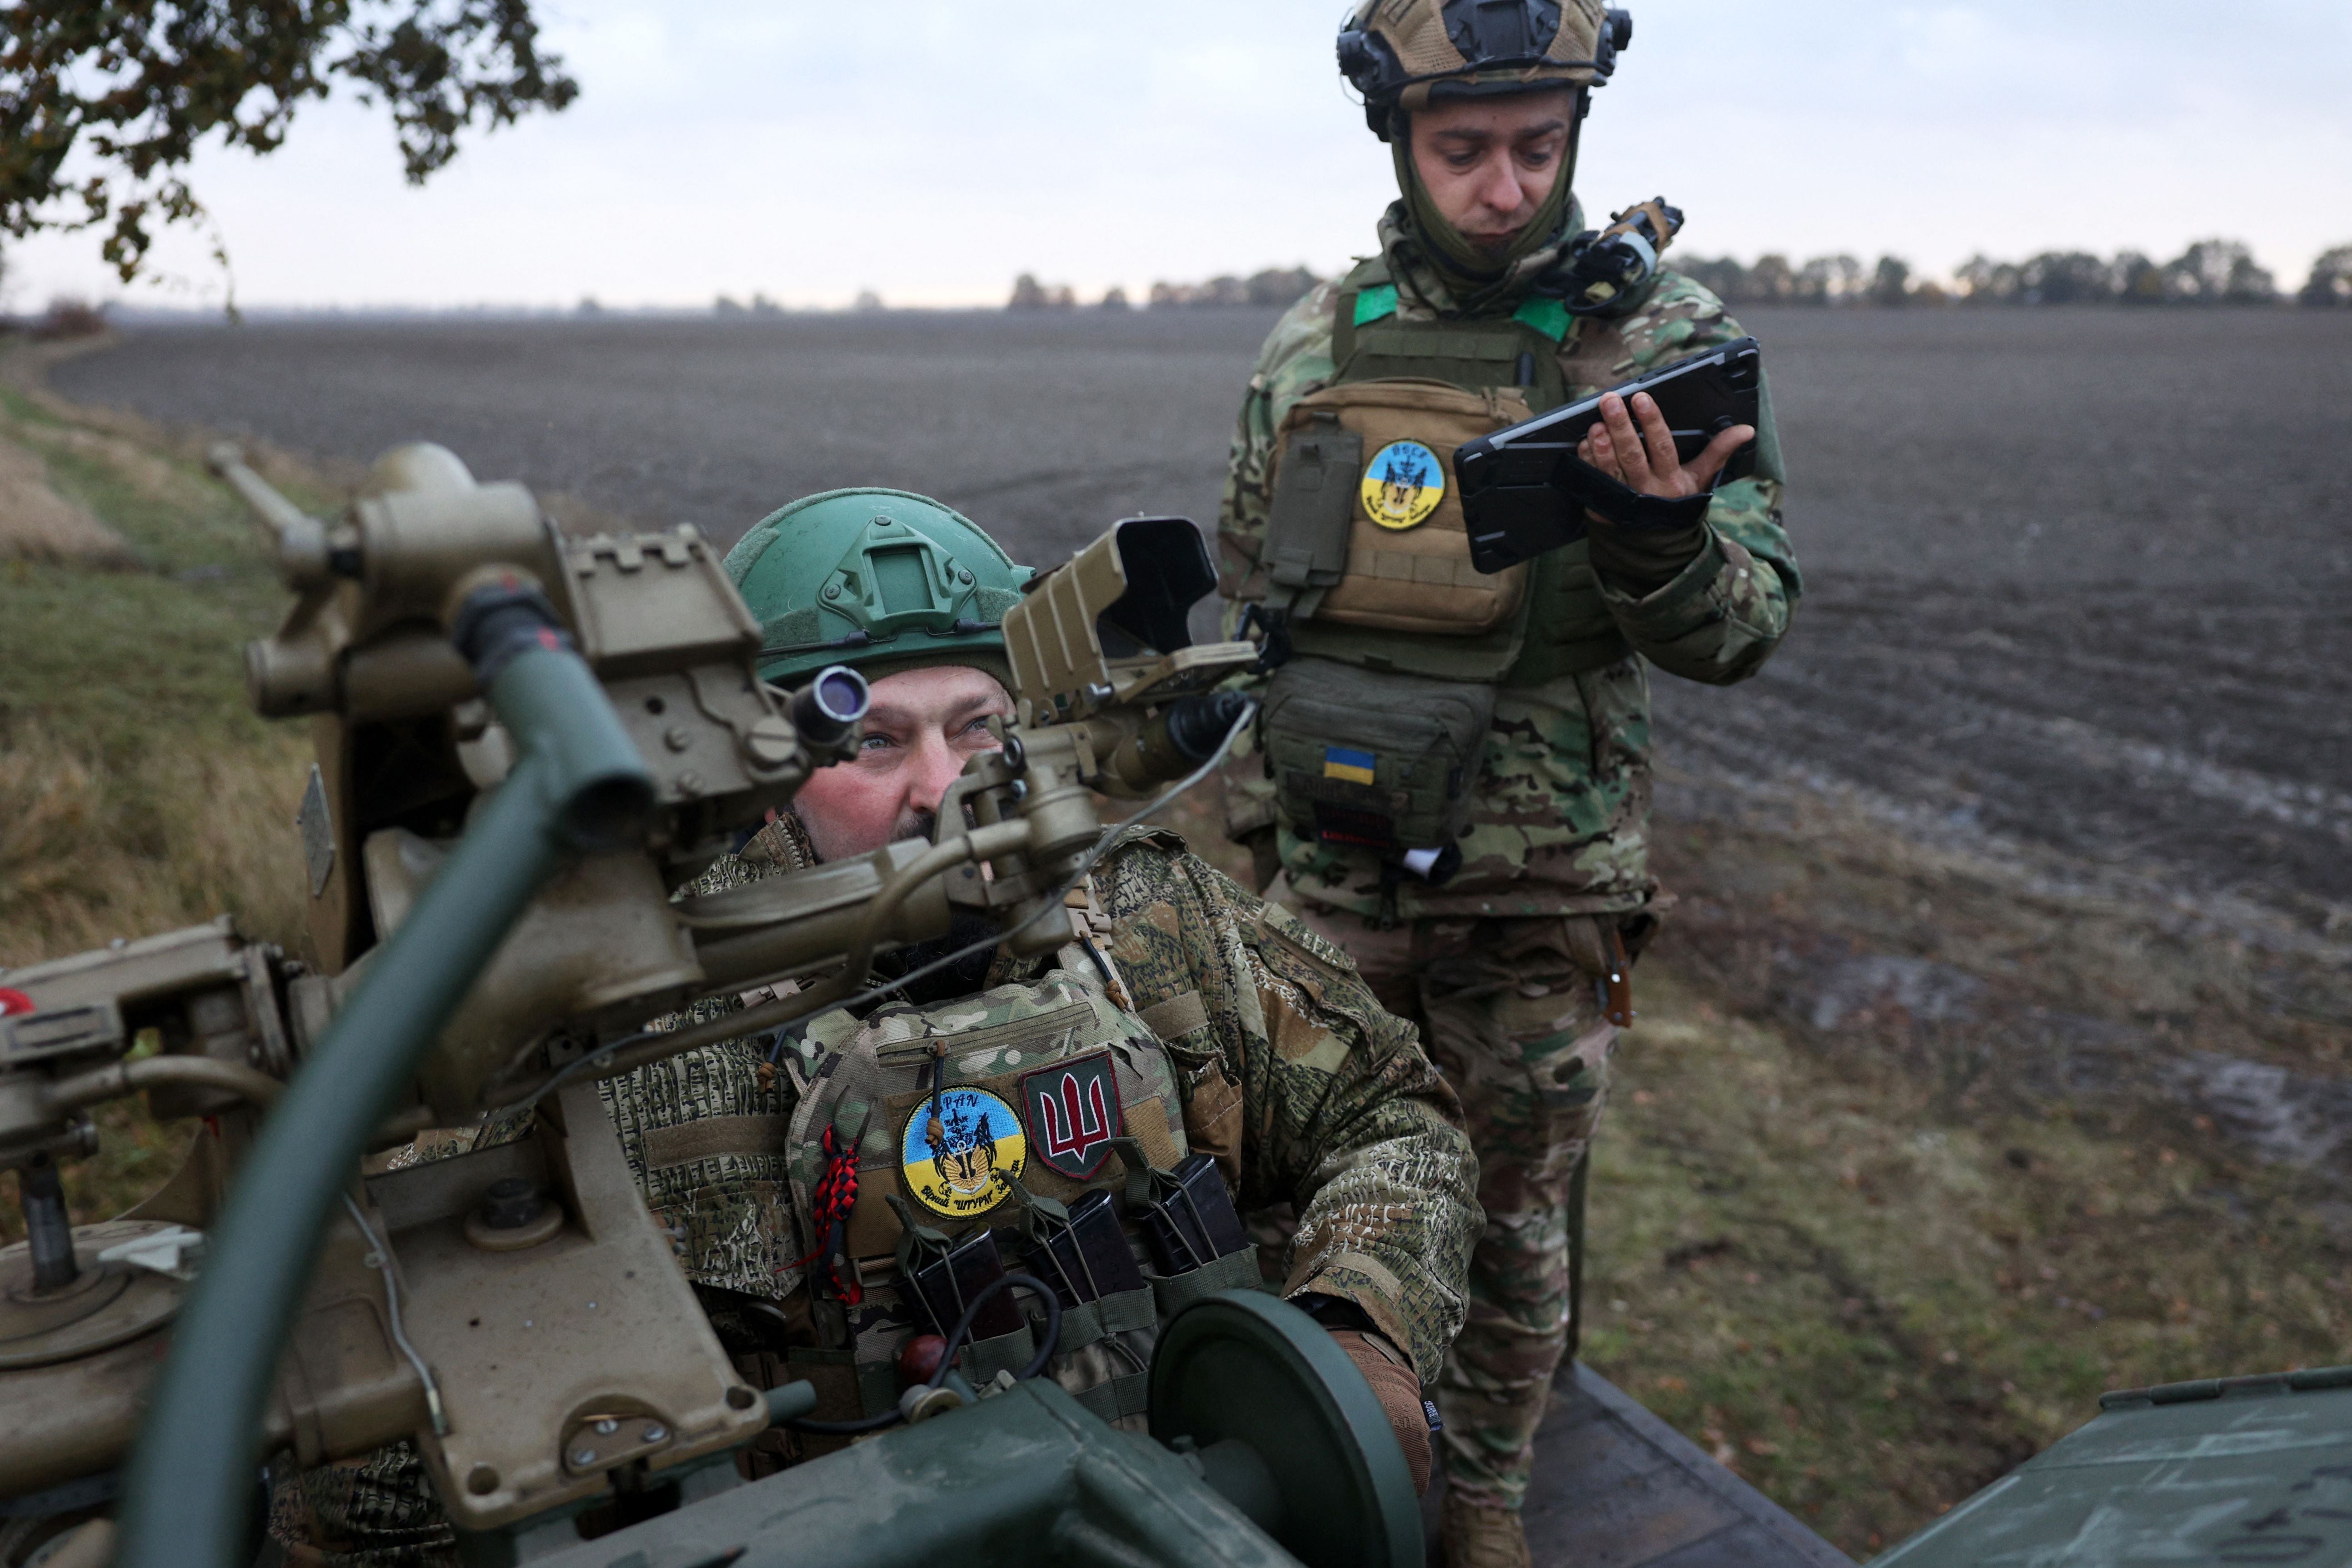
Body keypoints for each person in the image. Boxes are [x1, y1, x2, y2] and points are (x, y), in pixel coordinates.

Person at [269, 489, 1479, 1566]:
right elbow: (378, 1473)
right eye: (871, 740)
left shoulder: (1149, 913)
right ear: (753, 769)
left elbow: (1392, 1112)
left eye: (978, 725)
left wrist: (1358, 1320)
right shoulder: (619, 1023)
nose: (939, 785)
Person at [1214, 4, 1799, 1563]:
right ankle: (1333, 1469)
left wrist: (1663, 540)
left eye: (1537, 148)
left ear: (1580, 136)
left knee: (1508, 1224)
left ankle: (1476, 1506)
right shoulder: (1313, 344)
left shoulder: (1661, 345)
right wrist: (1263, 846)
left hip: (1542, 890)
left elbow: (1746, 624)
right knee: (1300, 1208)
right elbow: (1256, 610)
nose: (1501, 185)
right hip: (1335, 876)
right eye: (1461, 148)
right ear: (1397, 142)